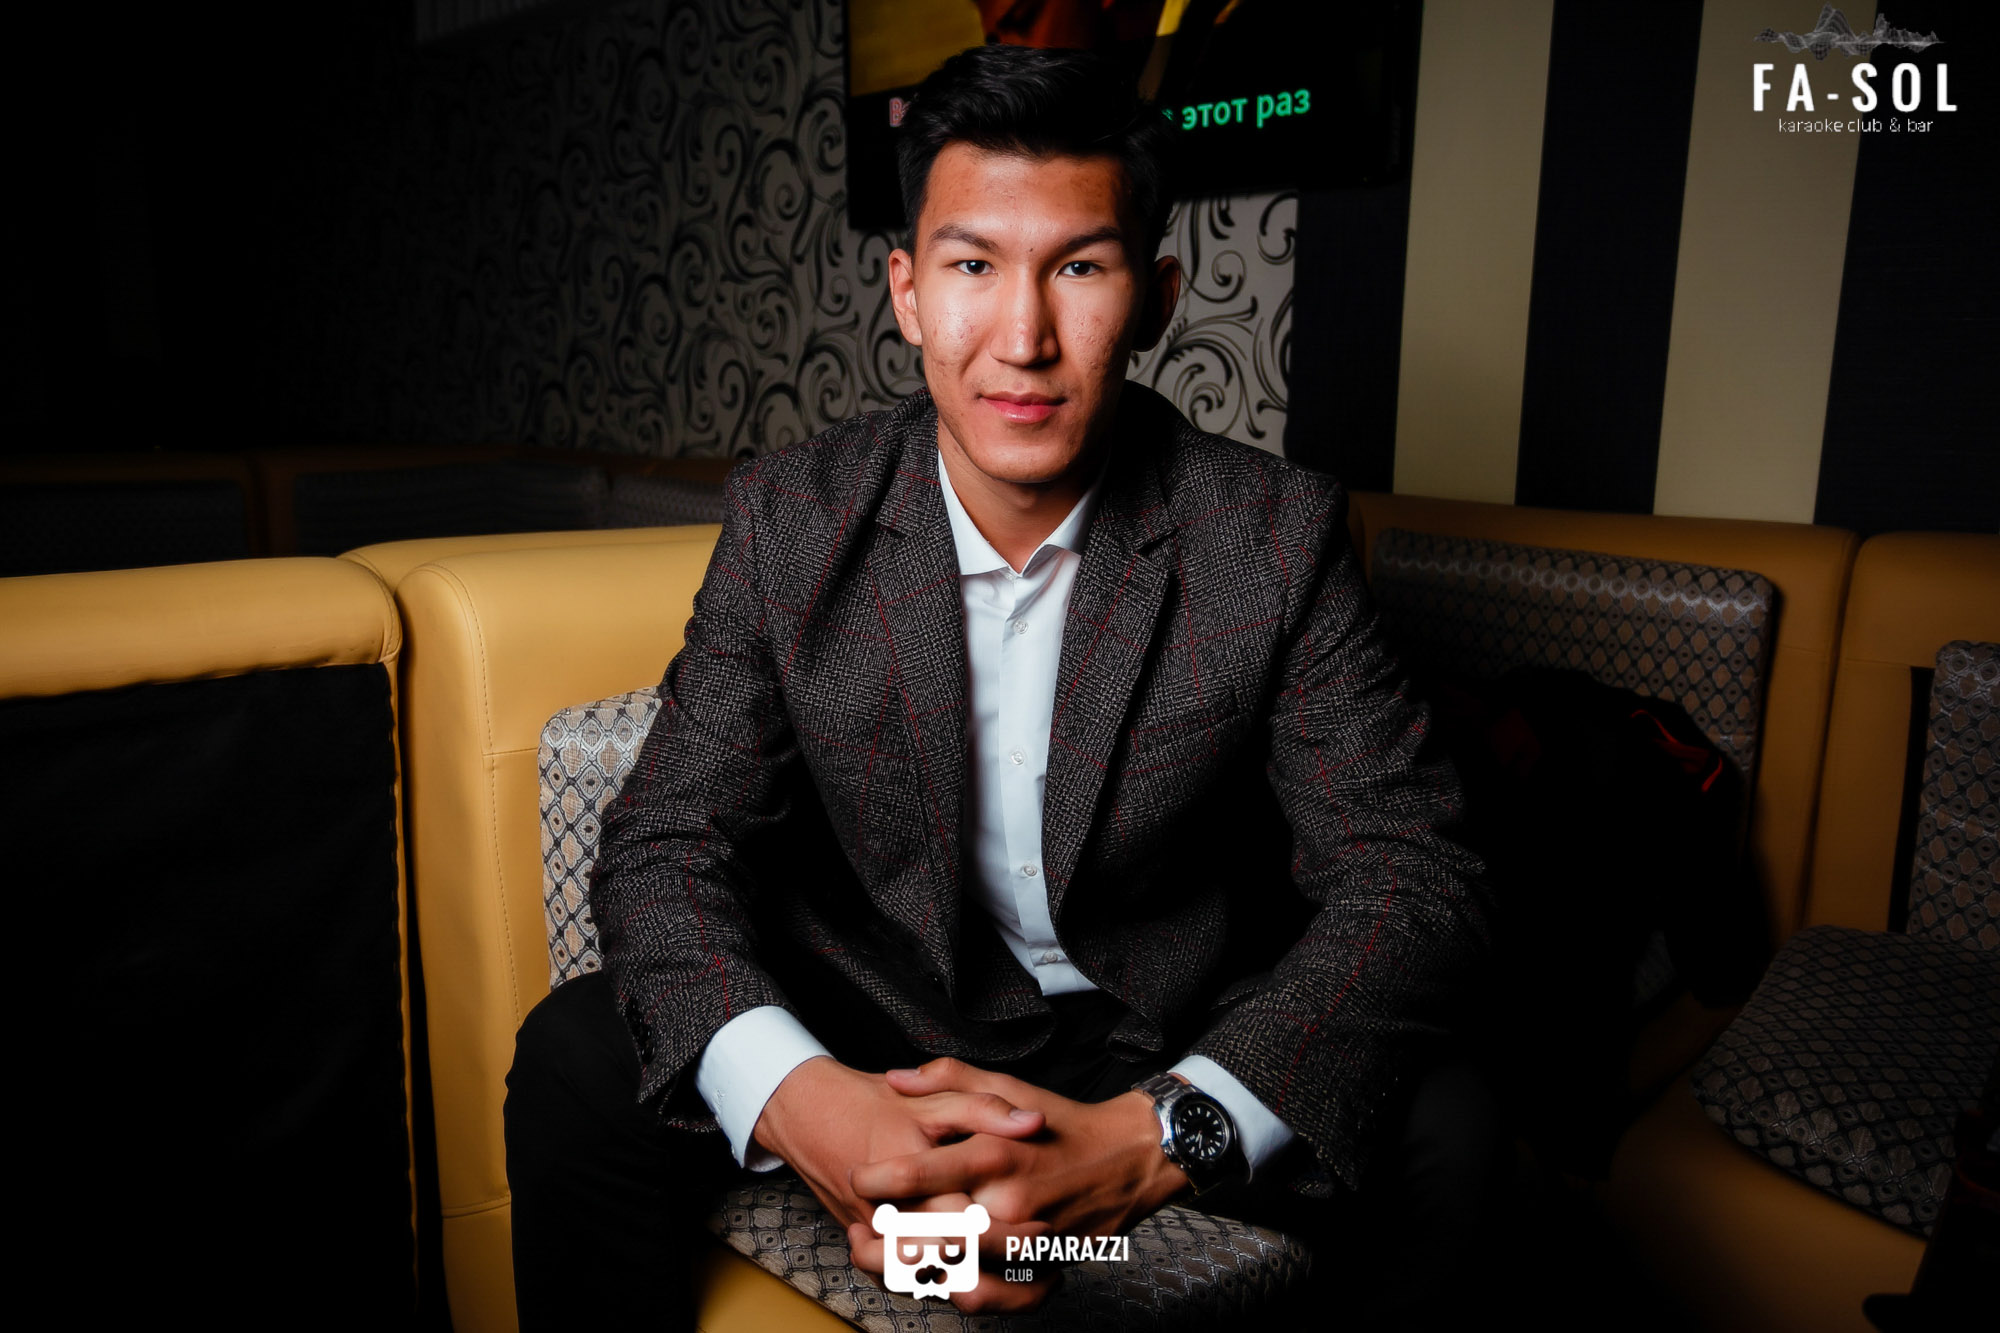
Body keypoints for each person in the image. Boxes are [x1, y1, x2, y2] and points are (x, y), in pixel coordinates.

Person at [506, 42, 1503, 1331]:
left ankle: (1050, 1236)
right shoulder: (791, 518)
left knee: (1460, 1126)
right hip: (875, 1018)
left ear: (1155, 298)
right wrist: (812, 1110)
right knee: (575, 1055)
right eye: (973, 267)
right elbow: (666, 843)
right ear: (908, 294)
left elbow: (1414, 878)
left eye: (1079, 268)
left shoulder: (1271, 534)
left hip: (1159, 1031)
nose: (1023, 341)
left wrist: (1152, 1140)